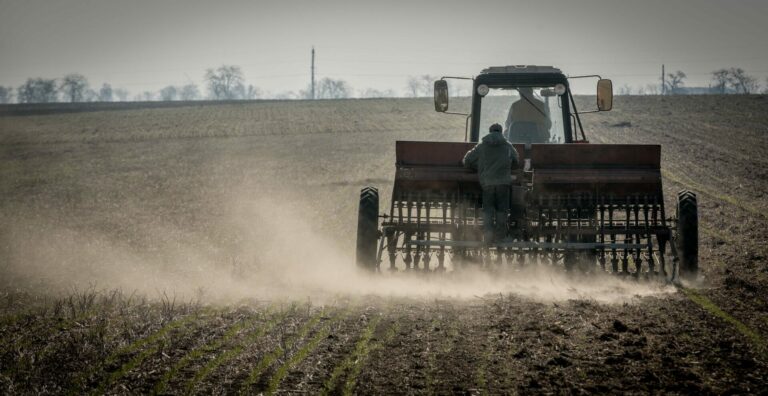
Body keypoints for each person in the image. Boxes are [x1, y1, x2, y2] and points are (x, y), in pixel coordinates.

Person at [462, 123, 520, 244]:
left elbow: (467, 160)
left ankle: (488, 236)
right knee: (502, 210)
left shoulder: (482, 146)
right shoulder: (508, 146)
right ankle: (500, 237)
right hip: (503, 183)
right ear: (501, 132)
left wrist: (477, 166)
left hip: (487, 183)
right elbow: (516, 160)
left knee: (488, 210)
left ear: (489, 131)